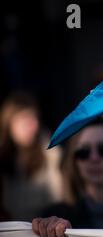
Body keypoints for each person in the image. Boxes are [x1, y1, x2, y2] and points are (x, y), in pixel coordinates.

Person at [0, 91, 63, 221]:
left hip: (41, 231)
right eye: (23, 119)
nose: (31, 126)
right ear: (9, 122)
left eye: (34, 118)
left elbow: (58, 199)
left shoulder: (50, 152)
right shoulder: (2, 154)